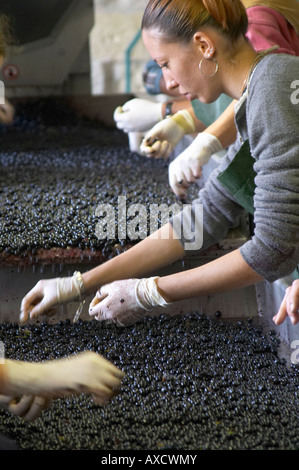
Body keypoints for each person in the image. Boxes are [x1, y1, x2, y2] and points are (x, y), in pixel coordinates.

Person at [20, 0, 299, 338]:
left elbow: (272, 249)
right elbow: (206, 217)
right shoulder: (260, 91)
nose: (167, 81)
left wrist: (150, 292)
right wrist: (78, 283)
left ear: (203, 45)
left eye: (165, 63)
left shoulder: (273, 87)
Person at [114, 0, 299, 199]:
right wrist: (181, 120)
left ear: (204, 45)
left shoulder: (254, 26)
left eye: (166, 64)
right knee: (151, 76)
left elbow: (267, 99)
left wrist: (205, 139)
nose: (170, 84)